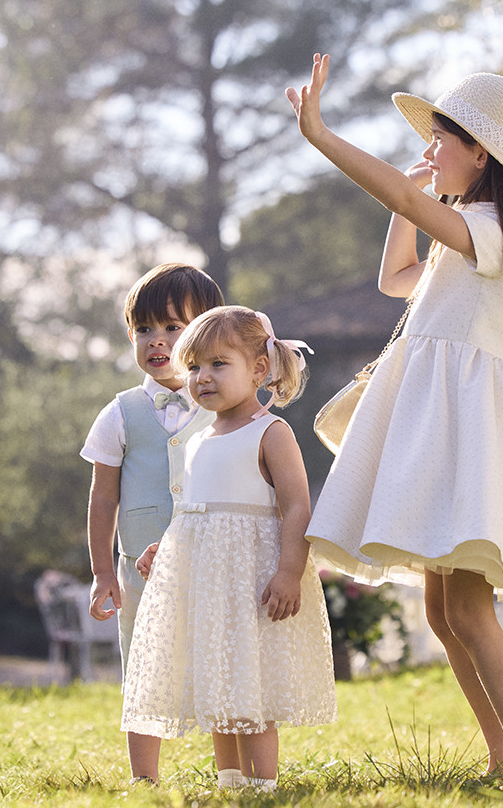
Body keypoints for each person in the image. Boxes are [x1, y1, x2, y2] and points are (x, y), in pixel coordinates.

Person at [287, 54, 503, 774]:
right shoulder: (469, 228)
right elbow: (396, 278)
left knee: (470, 613)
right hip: (438, 424)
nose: (427, 153)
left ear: (480, 151)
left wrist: (323, 136)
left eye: (439, 139)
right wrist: (417, 197)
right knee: (443, 613)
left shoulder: (498, 231)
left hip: (464, 430)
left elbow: (401, 193)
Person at [120, 306, 337, 791]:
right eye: (194, 367)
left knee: (248, 681)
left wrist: (288, 572)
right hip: (207, 581)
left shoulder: (271, 432)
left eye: (219, 364)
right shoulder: (197, 439)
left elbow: (298, 507)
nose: (202, 377)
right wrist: (167, 548)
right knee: (217, 675)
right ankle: (230, 781)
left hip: (252, 578)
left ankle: (263, 786)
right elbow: (194, 512)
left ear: (259, 369)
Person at [81, 262, 224, 784]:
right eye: (144, 329)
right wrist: (102, 574)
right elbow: (102, 499)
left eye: (173, 327)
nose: (157, 341)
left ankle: (232, 768)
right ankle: (145, 776)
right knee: (144, 664)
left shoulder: (226, 409)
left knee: (219, 659)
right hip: (139, 569)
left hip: (213, 557)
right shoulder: (119, 413)